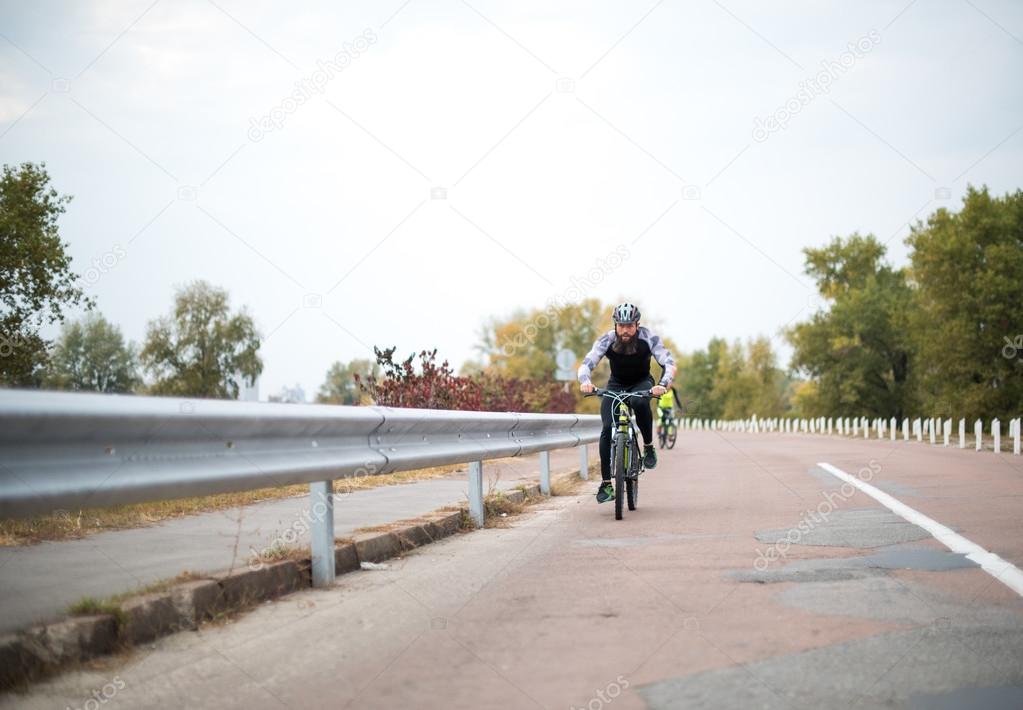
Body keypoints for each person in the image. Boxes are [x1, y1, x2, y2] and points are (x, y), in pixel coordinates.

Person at [578, 303, 677, 504]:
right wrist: (585, 382)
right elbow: (587, 363)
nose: (625, 330)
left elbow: (669, 362)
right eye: (621, 325)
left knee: (639, 403)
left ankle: (648, 446)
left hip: (642, 383)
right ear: (615, 325)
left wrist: (663, 384)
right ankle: (606, 484)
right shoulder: (607, 339)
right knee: (607, 428)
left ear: (637, 325)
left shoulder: (648, 337)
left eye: (630, 326)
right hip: (616, 385)